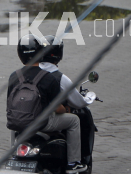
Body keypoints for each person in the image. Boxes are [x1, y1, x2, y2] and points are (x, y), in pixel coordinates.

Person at [9, 34, 87, 174]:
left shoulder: (14, 76)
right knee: (74, 121)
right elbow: (57, 109)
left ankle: (13, 156)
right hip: (42, 123)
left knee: (15, 124)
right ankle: (73, 163)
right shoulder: (48, 77)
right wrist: (66, 109)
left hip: (20, 122)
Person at [39, 36, 97, 167]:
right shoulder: (59, 78)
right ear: (59, 54)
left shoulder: (32, 73)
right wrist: (89, 97)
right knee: (75, 120)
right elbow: (78, 103)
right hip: (46, 120)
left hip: (26, 118)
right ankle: (74, 161)